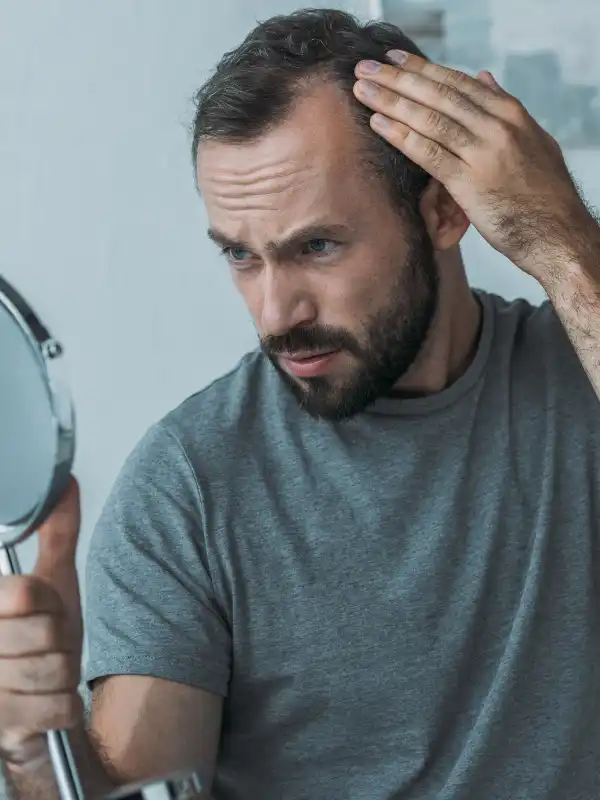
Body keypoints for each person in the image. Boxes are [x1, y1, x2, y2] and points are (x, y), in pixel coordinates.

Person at [2, 7, 600, 800]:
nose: (275, 313)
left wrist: (563, 244)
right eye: (242, 256)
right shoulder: (189, 485)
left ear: (445, 210)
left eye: (317, 246)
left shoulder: (579, 376)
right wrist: (35, 750)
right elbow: (135, 786)